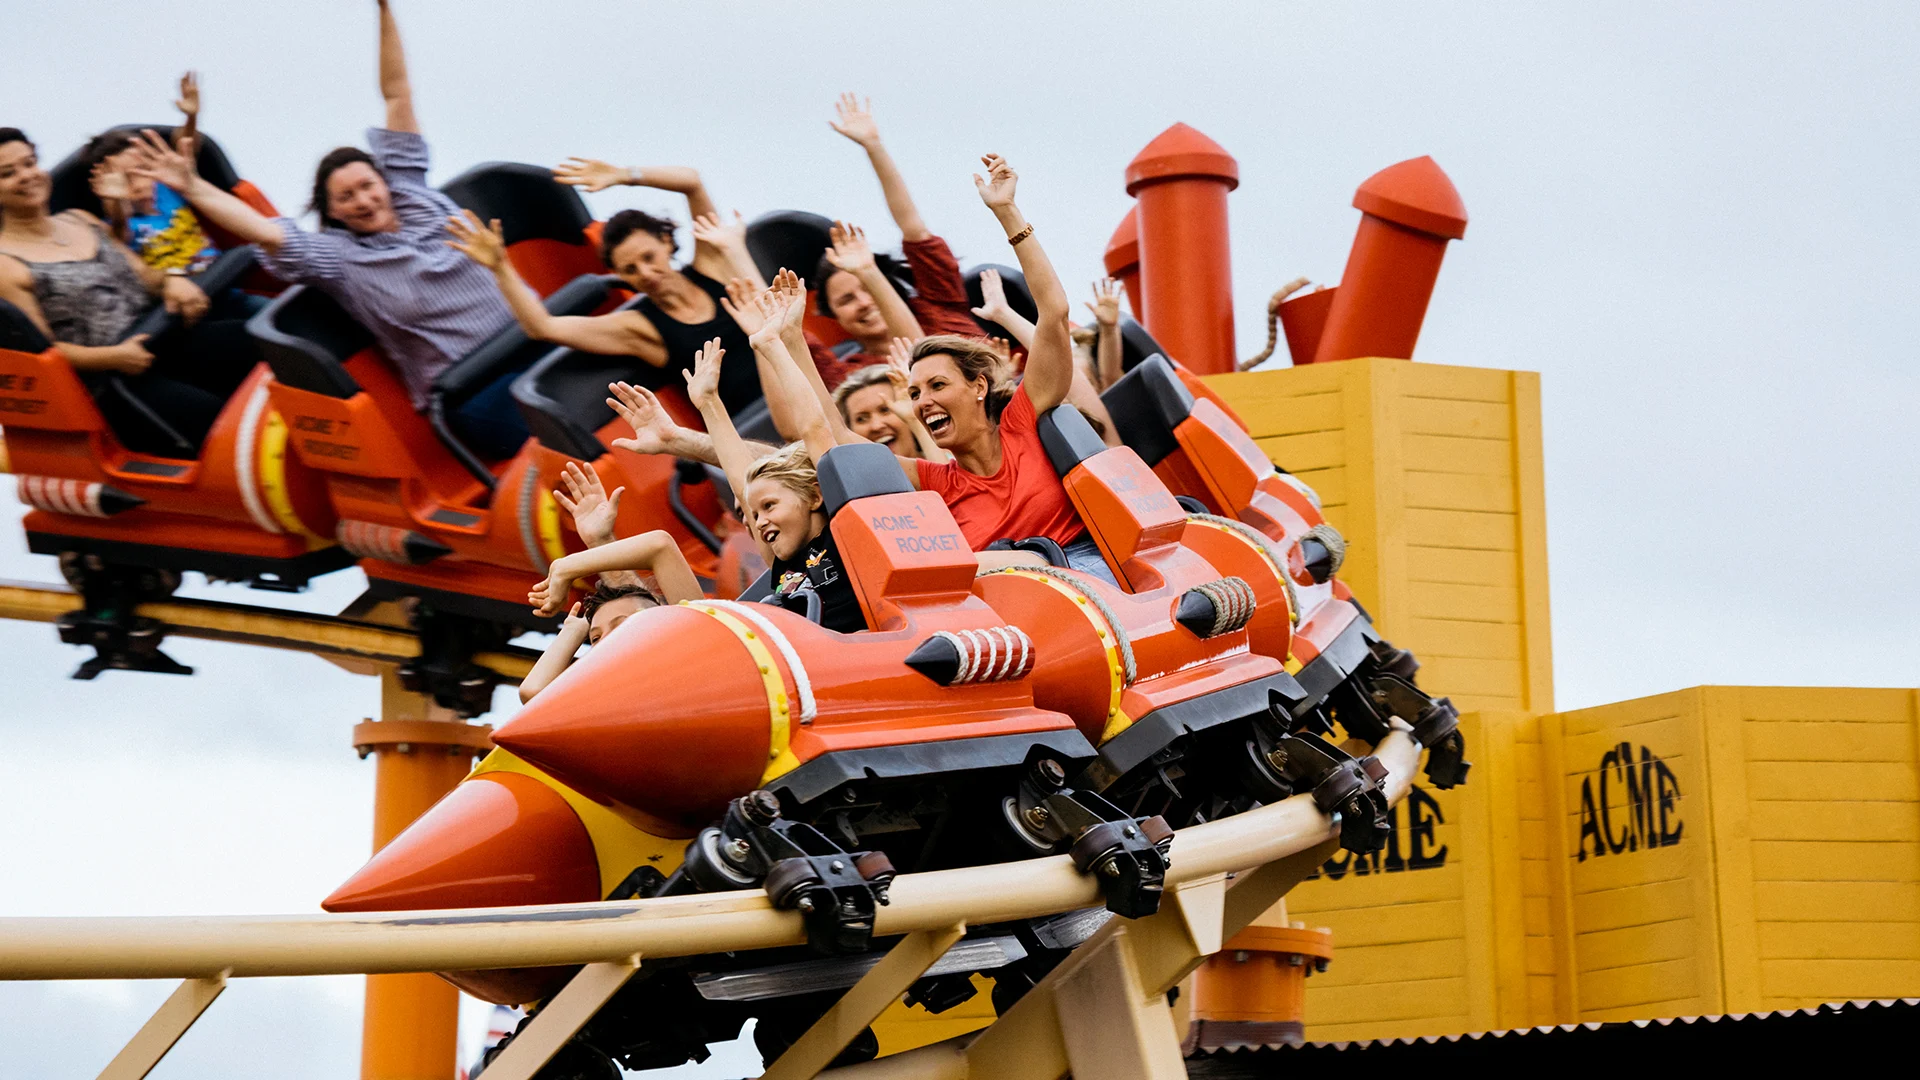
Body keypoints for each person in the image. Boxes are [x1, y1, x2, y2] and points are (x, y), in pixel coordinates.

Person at [120, 1, 530, 459]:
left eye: (367, 186)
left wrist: (384, 11)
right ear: (331, 211)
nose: (363, 201)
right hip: (474, 386)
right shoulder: (341, 258)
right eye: (346, 198)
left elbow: (397, 93)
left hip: (535, 343)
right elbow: (266, 233)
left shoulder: (412, 190)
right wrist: (193, 186)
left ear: (384, 181)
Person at [901, 155, 1117, 582]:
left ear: (978, 386)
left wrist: (1007, 212)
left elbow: (1054, 311)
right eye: (913, 394)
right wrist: (783, 344)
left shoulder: (1022, 423)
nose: (923, 401)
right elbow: (828, 439)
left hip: (1088, 578)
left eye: (937, 384)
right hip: (1011, 612)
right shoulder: (933, 481)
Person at [0, 127, 258, 455]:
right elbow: (41, 353)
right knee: (209, 413)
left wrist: (171, 281)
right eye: (8, 173)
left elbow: (142, 275)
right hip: (118, 378)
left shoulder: (80, 220)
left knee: (257, 343)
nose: (26, 176)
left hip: (165, 336)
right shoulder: (5, 264)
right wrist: (115, 357)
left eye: (29, 163)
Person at [451, 151, 766, 411]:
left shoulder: (711, 264)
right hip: (754, 425)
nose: (644, 273)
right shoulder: (640, 329)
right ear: (619, 276)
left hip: (803, 379)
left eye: (648, 257)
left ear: (667, 242)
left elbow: (692, 183)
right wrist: (500, 267)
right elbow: (542, 327)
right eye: (630, 270)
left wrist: (624, 175)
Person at [686, 297, 868, 633]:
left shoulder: (843, 529)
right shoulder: (781, 562)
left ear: (815, 496)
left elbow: (815, 429)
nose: (760, 522)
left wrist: (773, 345)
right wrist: (708, 404)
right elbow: (742, 484)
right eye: (755, 515)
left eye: (769, 506)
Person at [809, 95, 987, 387]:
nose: (865, 302)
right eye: (847, 299)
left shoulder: (938, 303)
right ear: (833, 315)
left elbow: (913, 227)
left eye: (868, 287)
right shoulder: (854, 377)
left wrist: (873, 146)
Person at [966, 266, 1123, 450]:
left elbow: (1101, 376)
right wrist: (1003, 380)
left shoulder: (1106, 442)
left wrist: (1109, 330)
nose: (1062, 390)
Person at [83, 73, 221, 276]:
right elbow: (119, 232)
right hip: (187, 296)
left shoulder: (167, 190)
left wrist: (191, 118)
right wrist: (118, 204)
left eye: (144, 171)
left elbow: (183, 151)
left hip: (223, 274)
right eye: (127, 179)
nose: (140, 184)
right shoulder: (118, 226)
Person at [517, 584, 661, 702]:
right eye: (595, 638)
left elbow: (662, 550)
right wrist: (574, 630)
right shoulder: (601, 699)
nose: (603, 641)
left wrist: (567, 568)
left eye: (619, 625)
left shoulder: (681, 661)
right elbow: (533, 693)